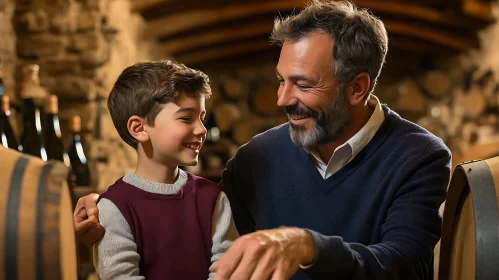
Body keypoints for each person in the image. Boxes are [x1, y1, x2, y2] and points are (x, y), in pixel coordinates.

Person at [74, 1, 451, 279]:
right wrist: (108, 209)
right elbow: (190, 217)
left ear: (357, 87)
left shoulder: (419, 156)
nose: (283, 100)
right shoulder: (257, 156)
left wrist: (307, 246)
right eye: (280, 80)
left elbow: (406, 266)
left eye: (302, 84)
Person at [88, 60, 238, 280]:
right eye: (186, 118)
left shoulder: (212, 197)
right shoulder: (114, 207)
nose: (201, 129)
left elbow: (228, 269)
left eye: (201, 118)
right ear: (139, 129)